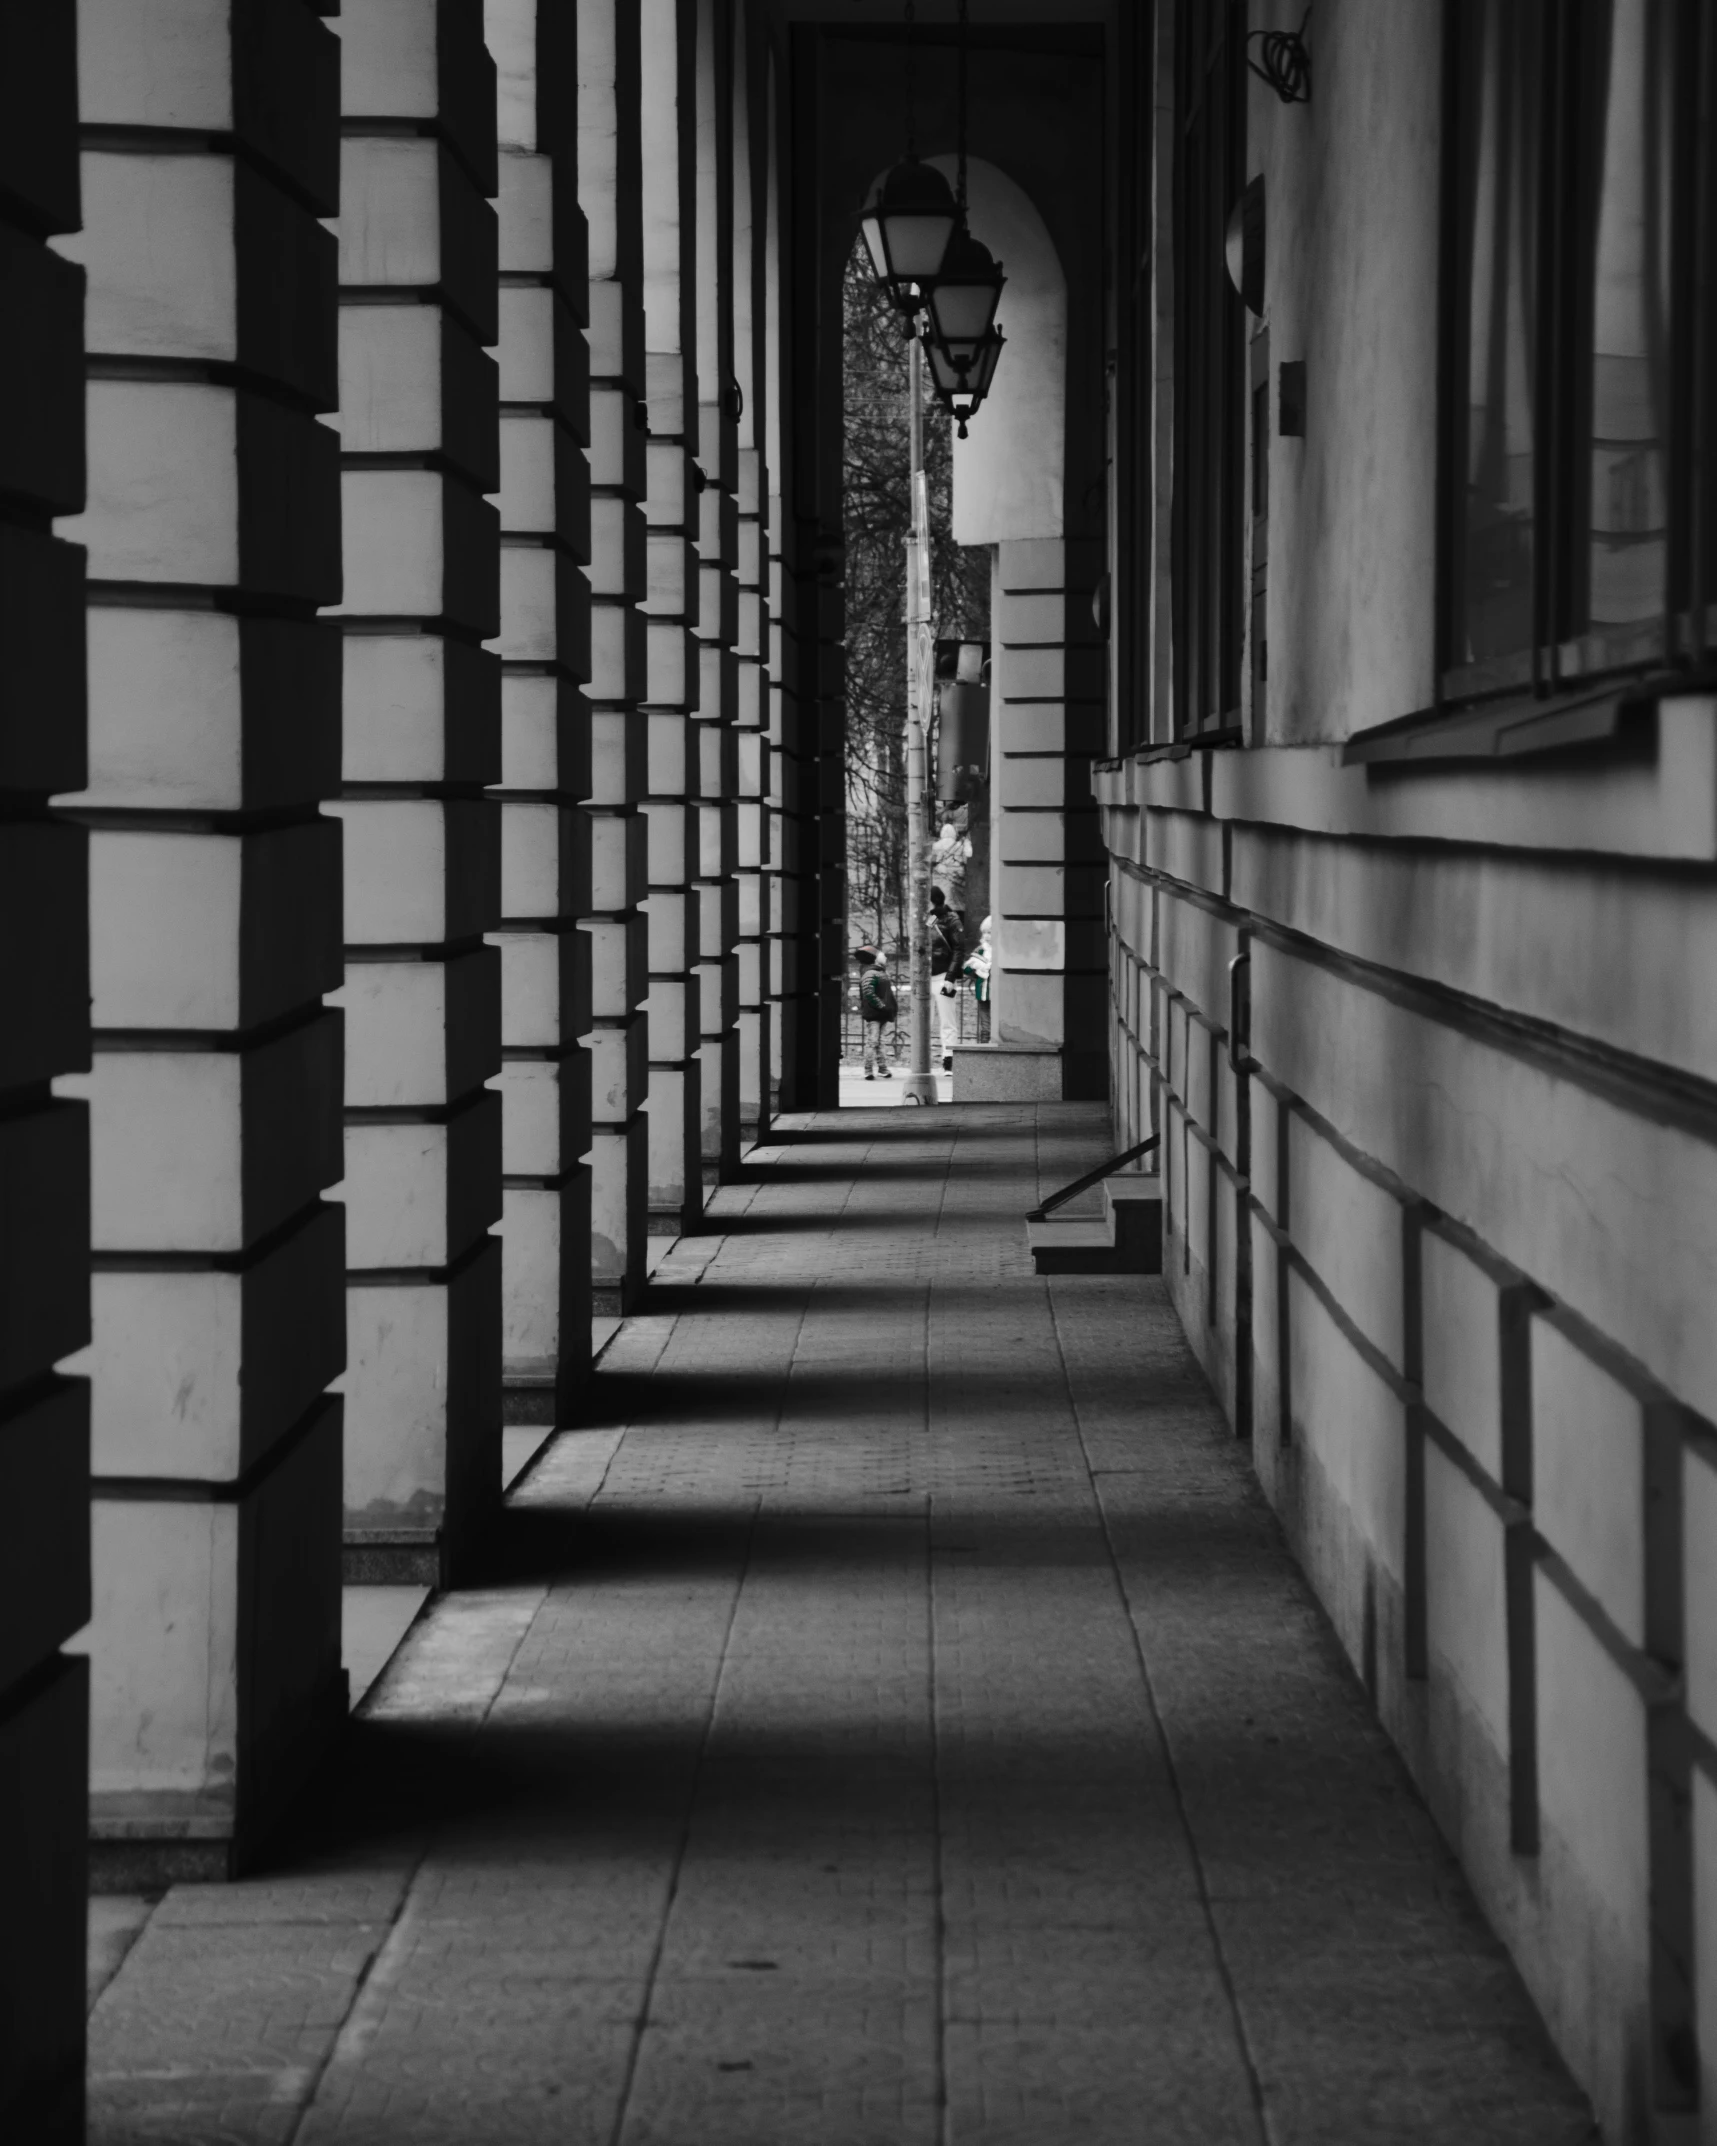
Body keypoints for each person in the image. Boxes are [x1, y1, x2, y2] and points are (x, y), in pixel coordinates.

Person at [928, 885, 966, 1072]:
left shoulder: (952, 919)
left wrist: (950, 977)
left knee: (947, 1021)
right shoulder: (931, 918)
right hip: (926, 977)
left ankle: (949, 1059)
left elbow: (959, 949)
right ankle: (922, 1059)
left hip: (944, 976)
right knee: (924, 1021)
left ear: (932, 900)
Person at [857, 948, 897, 1078]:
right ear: (875, 958)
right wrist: (882, 1006)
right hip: (875, 1013)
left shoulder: (880, 971)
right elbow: (868, 992)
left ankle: (882, 1068)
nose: (885, 957)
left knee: (880, 1041)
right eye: (882, 955)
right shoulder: (870, 973)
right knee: (872, 1041)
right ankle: (868, 1070)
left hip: (882, 1012)